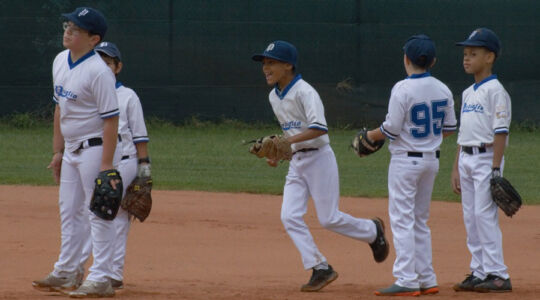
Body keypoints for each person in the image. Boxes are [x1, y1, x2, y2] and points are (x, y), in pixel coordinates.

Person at [251, 40, 389, 292]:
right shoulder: (274, 96)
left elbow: (319, 128)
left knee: (329, 218)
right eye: (264, 63)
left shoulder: (305, 92)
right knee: (289, 216)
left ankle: (372, 230)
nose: (265, 68)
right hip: (297, 161)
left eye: (271, 63)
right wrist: (279, 154)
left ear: (288, 65)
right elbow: (289, 133)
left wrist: (286, 141)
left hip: (319, 158)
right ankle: (320, 267)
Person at [31, 7, 121, 298]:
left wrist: (107, 165)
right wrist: (58, 151)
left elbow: (111, 120)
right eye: (68, 26)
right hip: (71, 150)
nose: (67, 31)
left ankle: (102, 277)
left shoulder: (99, 72)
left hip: (95, 149)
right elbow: (60, 108)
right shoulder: (60, 60)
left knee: (98, 214)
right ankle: (67, 270)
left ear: (93, 39)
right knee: (69, 211)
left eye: (76, 29)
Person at [363, 35, 457, 296]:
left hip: (406, 161)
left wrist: (370, 135)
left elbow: (391, 129)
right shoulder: (443, 89)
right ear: (433, 61)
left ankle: (406, 278)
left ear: (406, 59)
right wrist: (428, 138)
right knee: (419, 220)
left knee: (402, 220)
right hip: (431, 162)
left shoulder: (402, 88)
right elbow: (449, 129)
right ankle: (427, 278)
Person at [451, 28, 512, 293]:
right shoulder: (467, 93)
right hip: (466, 157)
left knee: (484, 216)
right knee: (470, 218)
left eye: (473, 53)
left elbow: (501, 132)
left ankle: (498, 274)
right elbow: (463, 133)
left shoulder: (496, 91)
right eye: (465, 53)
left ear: (490, 57)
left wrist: (496, 168)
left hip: (487, 159)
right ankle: (478, 271)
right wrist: (455, 166)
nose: (467, 58)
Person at [94, 41, 151, 290]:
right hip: (95, 161)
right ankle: (99, 270)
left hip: (124, 162)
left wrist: (145, 171)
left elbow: (140, 136)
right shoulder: (90, 93)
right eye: (100, 62)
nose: (104, 68)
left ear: (118, 67)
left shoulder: (128, 96)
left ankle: (112, 273)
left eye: (108, 63)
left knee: (117, 216)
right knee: (94, 215)